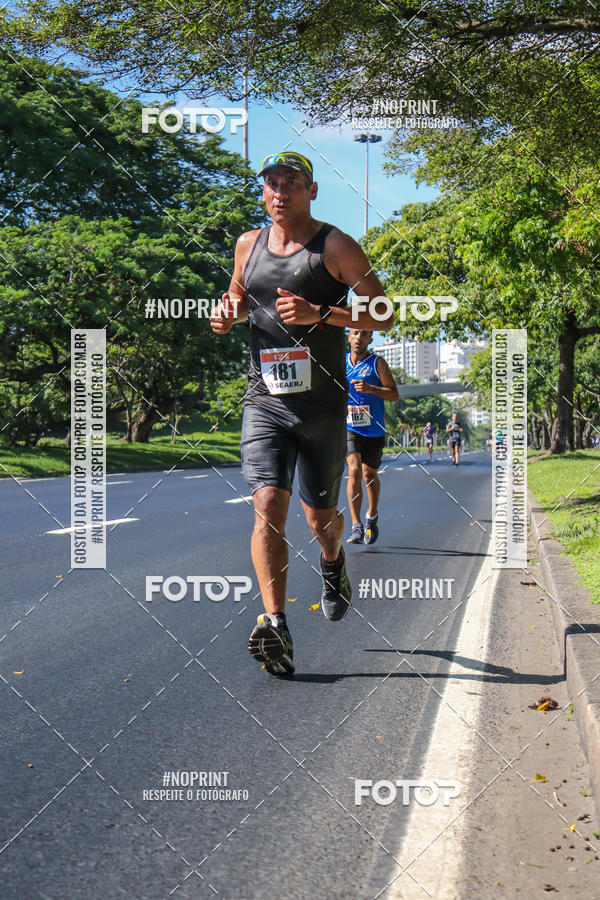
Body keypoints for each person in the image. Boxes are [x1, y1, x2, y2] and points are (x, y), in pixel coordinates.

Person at [210, 151, 392, 675]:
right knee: (267, 502)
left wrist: (323, 314)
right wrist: (227, 315)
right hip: (265, 399)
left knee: (320, 519)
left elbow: (383, 311)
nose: (279, 192)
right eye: (271, 183)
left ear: (311, 191)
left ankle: (333, 564)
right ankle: (275, 624)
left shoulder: (333, 246)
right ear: (263, 192)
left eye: (291, 183)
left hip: (324, 407)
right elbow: (240, 300)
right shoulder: (248, 244)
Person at [345, 329, 399, 544]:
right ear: (349, 336)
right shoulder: (341, 363)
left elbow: (394, 394)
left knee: (369, 475)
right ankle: (356, 526)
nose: (359, 337)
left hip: (374, 428)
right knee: (355, 470)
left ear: (370, 339)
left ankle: (372, 516)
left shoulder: (378, 363)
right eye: (355, 333)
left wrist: (371, 388)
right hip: (350, 426)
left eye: (364, 334)